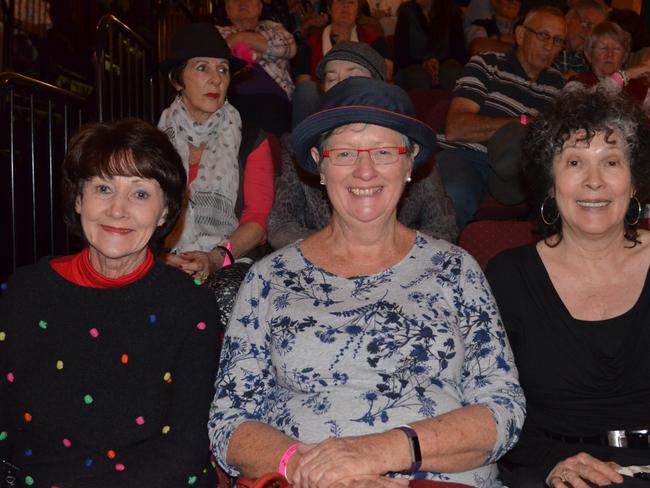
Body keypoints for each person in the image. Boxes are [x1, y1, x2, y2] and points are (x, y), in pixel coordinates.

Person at [208, 76, 526, 488]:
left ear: (410, 161)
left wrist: (375, 453)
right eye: (344, 153)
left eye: (383, 151)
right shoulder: (269, 278)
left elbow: (503, 409)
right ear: (319, 163)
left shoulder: (456, 270)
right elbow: (229, 422)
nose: (364, 170)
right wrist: (313, 470)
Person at [0, 119, 222, 487]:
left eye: (140, 194)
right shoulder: (24, 292)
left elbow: (186, 449)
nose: (117, 211)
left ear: (165, 211)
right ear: (78, 198)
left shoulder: (189, 307)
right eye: (103, 188)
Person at [486, 88, 650, 488]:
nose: (594, 181)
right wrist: (551, 463)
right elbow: (488, 404)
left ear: (634, 184)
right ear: (549, 182)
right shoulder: (509, 276)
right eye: (575, 162)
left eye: (611, 162)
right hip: (556, 474)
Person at [269, 42, 457, 249]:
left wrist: (387, 254)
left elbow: (443, 227)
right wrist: (341, 252)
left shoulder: (406, 143)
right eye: (332, 78)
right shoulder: (298, 148)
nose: (341, 85)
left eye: (353, 77)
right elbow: (281, 226)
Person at [158, 23, 274, 283]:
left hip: (230, 260)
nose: (216, 78)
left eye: (223, 69)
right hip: (164, 257)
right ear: (177, 80)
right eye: (202, 68)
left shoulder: (251, 138)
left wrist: (215, 258)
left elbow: (256, 221)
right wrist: (161, 257)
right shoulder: (153, 141)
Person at [437, 6, 566, 229]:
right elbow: (456, 127)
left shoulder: (558, 84)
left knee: (563, 204)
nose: (550, 47)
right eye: (544, 36)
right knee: (453, 194)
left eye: (558, 41)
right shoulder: (487, 64)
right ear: (521, 35)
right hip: (469, 155)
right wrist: (523, 122)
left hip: (522, 167)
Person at [217, 0, 297, 135]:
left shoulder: (274, 28)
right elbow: (216, 55)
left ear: (259, 8)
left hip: (272, 98)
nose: (242, 3)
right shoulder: (218, 32)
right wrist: (262, 49)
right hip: (231, 99)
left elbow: (288, 48)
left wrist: (238, 38)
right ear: (227, 9)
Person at [566, 21, 650, 108]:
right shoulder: (576, 83)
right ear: (588, 54)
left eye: (617, 49)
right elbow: (589, 106)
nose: (610, 54)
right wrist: (625, 75)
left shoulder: (638, 88)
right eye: (603, 48)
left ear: (624, 57)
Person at [393, 0, 467, 91]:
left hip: (445, 64)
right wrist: (424, 63)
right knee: (417, 76)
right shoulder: (406, 12)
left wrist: (436, 64)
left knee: (451, 71)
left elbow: (459, 53)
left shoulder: (452, 12)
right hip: (414, 65)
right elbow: (400, 54)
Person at [553, 0, 608, 78]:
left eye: (595, 31)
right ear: (568, 18)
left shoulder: (587, 61)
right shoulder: (548, 46)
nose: (589, 34)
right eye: (588, 25)